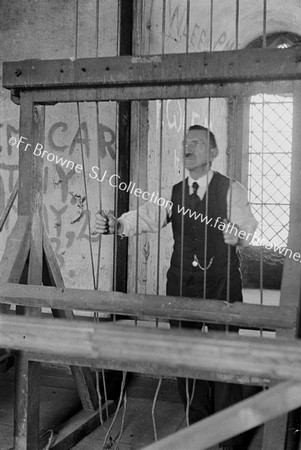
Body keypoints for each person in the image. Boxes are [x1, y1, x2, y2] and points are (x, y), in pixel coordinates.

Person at [96, 125, 258, 448]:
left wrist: (237, 235)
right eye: (186, 142)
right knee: (185, 354)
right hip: (182, 284)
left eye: (197, 143)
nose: (189, 146)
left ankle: (229, 434)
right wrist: (119, 225)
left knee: (224, 354)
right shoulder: (173, 192)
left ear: (212, 153)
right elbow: (146, 216)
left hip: (222, 284)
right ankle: (198, 426)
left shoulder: (232, 190)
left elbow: (247, 226)